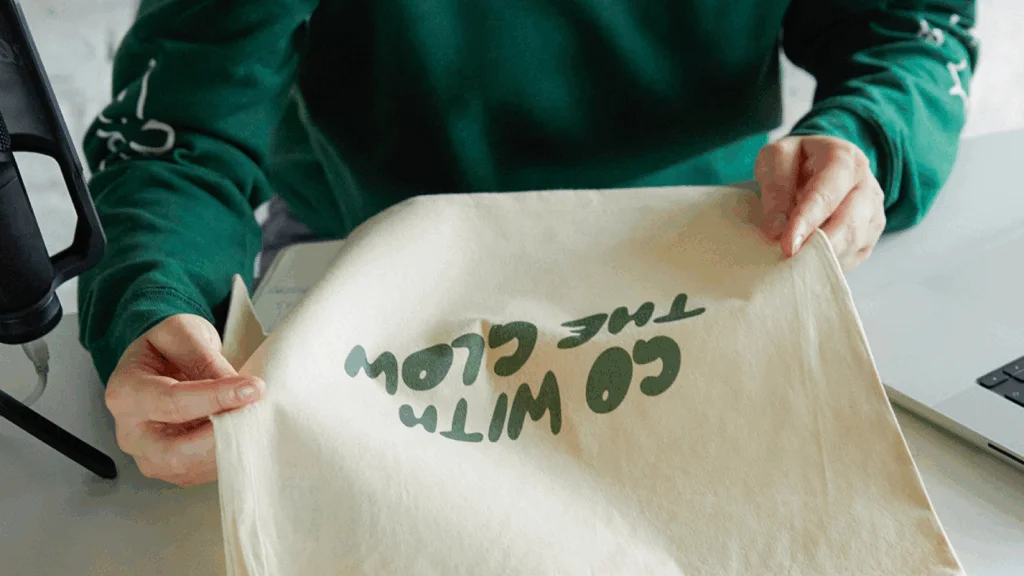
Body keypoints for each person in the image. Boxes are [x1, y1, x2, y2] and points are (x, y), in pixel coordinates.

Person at [81, 0, 978, 486]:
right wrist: (156, 294)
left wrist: (868, 135)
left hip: (719, 233)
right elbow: (181, 130)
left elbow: (904, 26)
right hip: (365, 237)